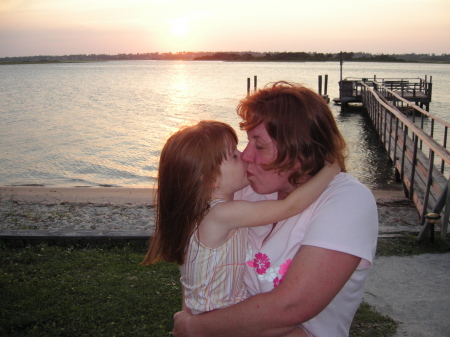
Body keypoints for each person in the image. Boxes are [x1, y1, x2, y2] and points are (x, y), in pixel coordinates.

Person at [172, 82, 379, 337]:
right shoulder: (246, 189)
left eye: (259, 146)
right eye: (247, 144)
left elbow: (291, 307)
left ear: (300, 149)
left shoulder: (347, 200)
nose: (246, 156)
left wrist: (194, 327)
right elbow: (197, 259)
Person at [142, 120, 340, 334]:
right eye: (234, 156)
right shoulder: (222, 214)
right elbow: (289, 206)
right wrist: (330, 170)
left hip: (205, 310)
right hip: (221, 314)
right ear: (212, 178)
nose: (244, 156)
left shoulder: (196, 212)